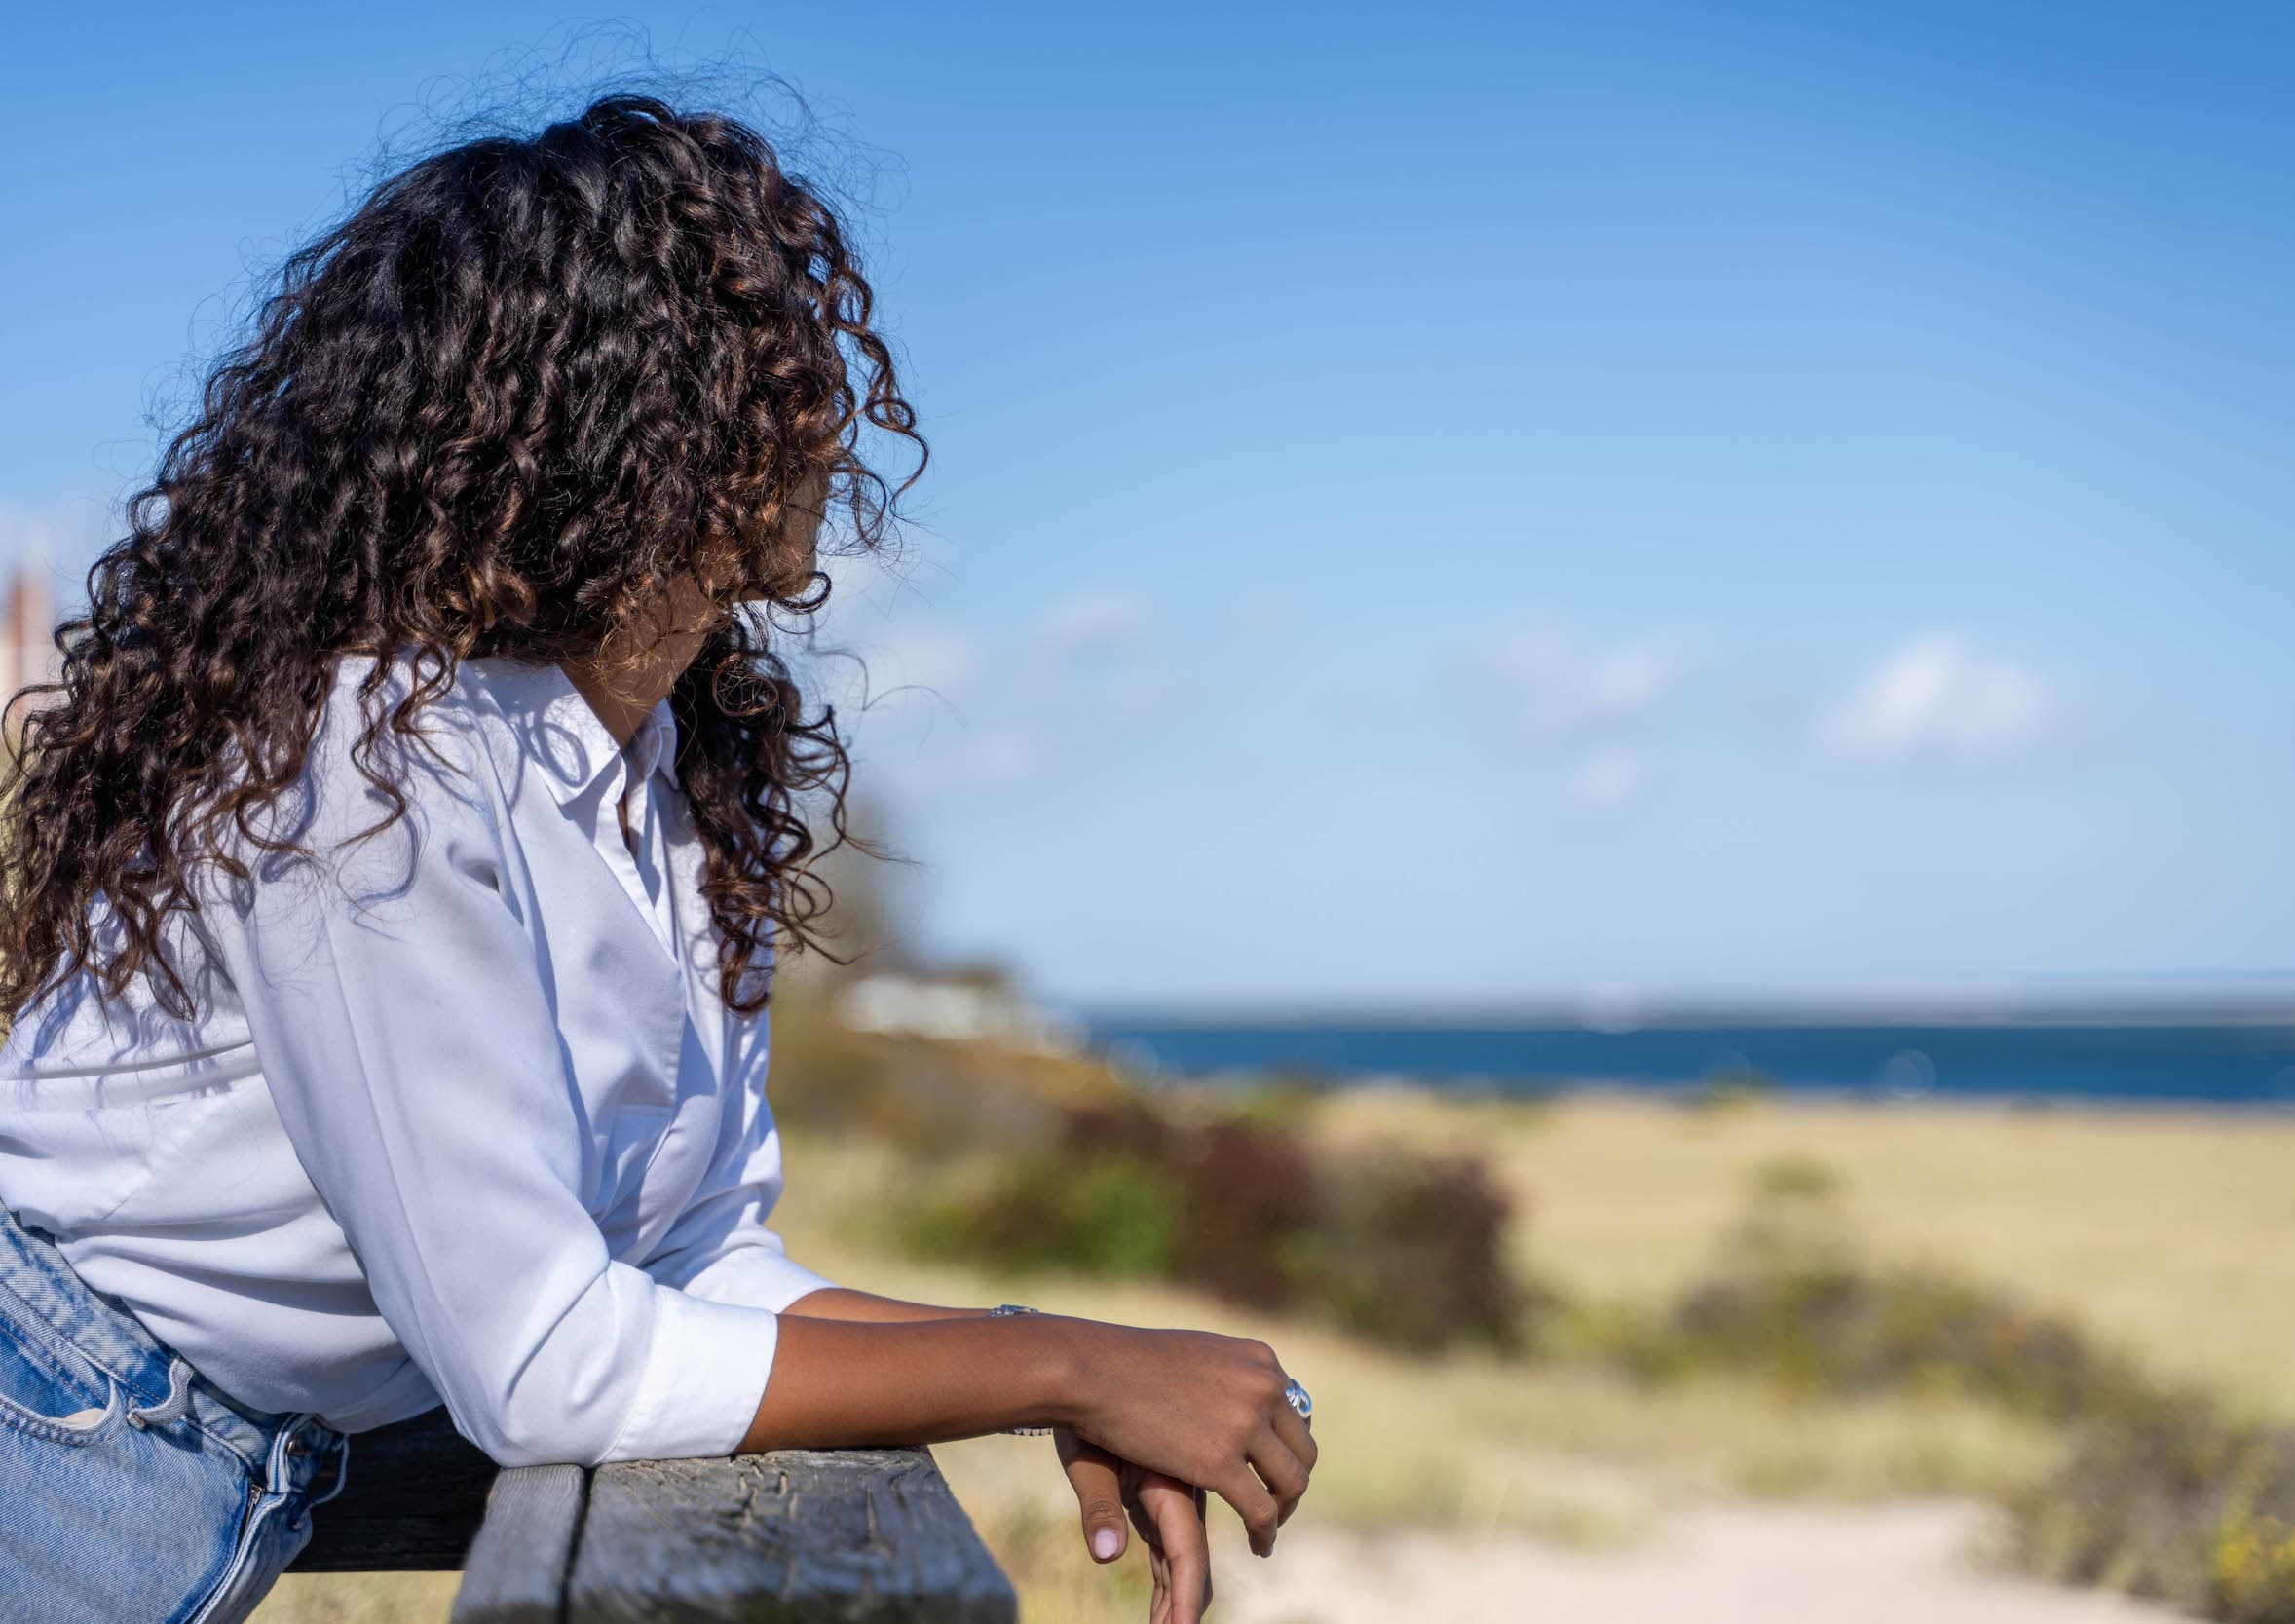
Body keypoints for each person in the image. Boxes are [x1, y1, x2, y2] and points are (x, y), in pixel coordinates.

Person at [0, 93, 1314, 1624]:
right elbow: (547, 1366)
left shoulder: (664, 771)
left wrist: (1052, 1360)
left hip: (235, 1451)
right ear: (626, 407)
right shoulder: (378, 771)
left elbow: (693, 1256)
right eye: (771, 351)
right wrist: (1066, 1363)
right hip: (53, 1434)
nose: (830, 404)